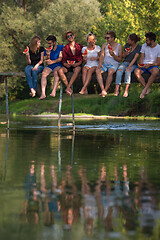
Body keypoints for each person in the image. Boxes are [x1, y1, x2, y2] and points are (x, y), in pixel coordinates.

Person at [96, 31, 123, 97]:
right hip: (105, 65)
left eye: (108, 38)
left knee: (110, 71)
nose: (106, 39)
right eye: (106, 37)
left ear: (113, 38)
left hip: (114, 65)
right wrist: (100, 64)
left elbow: (120, 59)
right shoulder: (104, 45)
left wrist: (113, 55)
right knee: (97, 71)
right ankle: (103, 90)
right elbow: (102, 55)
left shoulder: (119, 46)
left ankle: (105, 90)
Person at [134, 32, 160, 99]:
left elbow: (158, 63)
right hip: (144, 65)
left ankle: (144, 90)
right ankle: (147, 89)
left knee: (156, 72)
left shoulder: (159, 48)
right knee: (136, 71)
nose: (145, 41)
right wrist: (140, 65)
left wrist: (150, 64)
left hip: (152, 65)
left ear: (152, 41)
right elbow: (141, 58)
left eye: (147, 40)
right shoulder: (144, 45)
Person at [58, 31, 83, 96]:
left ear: (74, 36)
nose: (70, 37)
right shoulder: (65, 48)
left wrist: (77, 64)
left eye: (71, 35)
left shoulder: (80, 46)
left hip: (77, 64)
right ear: (67, 39)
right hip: (68, 66)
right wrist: (67, 64)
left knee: (77, 70)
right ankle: (68, 87)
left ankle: (68, 87)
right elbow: (63, 61)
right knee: (60, 70)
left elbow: (82, 57)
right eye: (68, 36)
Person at [39, 35, 64, 100]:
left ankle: (54, 91)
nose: (48, 45)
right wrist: (48, 56)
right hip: (50, 66)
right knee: (44, 73)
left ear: (54, 42)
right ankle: (43, 93)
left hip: (58, 65)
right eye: (48, 43)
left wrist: (52, 62)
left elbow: (60, 58)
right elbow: (47, 61)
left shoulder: (61, 47)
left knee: (56, 72)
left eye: (50, 43)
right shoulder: (47, 50)